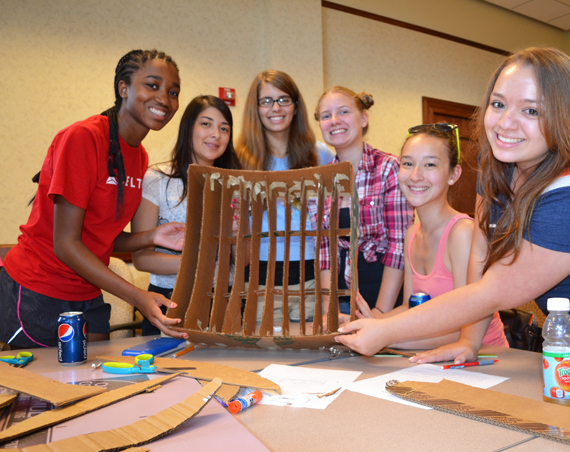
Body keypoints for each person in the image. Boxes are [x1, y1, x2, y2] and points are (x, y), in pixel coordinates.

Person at [336, 47, 570, 369]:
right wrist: (469, 340)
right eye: (498, 104)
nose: (505, 123)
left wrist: (385, 330)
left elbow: (495, 290)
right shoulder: (495, 160)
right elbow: (481, 258)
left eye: (531, 111)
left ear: (564, 116)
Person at [0, 49, 188, 348]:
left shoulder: (139, 157)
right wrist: (137, 295)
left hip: (87, 293)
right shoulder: (83, 137)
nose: (165, 99)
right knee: (43, 391)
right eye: (152, 85)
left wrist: (153, 236)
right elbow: (66, 244)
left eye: (173, 91)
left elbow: (99, 239)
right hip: (39, 290)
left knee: (97, 385)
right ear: (123, 88)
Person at [355, 124, 508, 350]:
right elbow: (410, 308)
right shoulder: (411, 234)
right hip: (432, 358)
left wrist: (386, 336)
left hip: (486, 359)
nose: (416, 176)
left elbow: (462, 325)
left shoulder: (462, 233)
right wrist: (368, 323)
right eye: (408, 163)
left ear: (453, 174)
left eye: (430, 165)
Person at [131, 95, 241, 335]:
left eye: (224, 128)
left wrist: (237, 235)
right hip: (171, 300)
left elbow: (244, 263)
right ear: (188, 128)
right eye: (206, 124)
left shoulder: (235, 184)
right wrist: (197, 264)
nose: (216, 134)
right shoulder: (156, 179)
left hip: (226, 301)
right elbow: (141, 259)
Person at [236, 70, 335, 323]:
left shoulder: (320, 155)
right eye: (266, 101)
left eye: (283, 99)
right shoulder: (239, 160)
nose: (275, 108)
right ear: (255, 108)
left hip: (313, 278)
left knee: (315, 357)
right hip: (261, 281)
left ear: (295, 106)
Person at [313, 87, 414, 324]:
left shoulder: (390, 168)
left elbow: (398, 246)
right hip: (343, 301)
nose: (334, 121)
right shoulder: (321, 180)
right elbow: (325, 252)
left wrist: (379, 313)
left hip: (387, 300)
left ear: (364, 118)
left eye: (344, 112)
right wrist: (330, 310)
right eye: (326, 116)